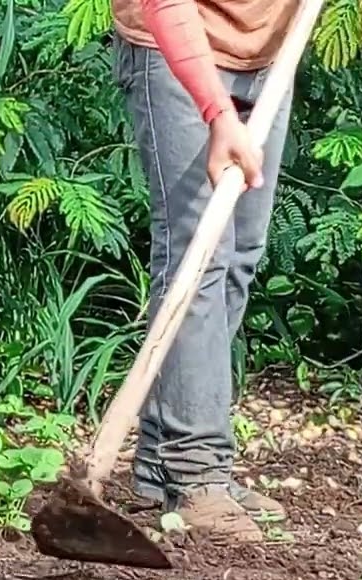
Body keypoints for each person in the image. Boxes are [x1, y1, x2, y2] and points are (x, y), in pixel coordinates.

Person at [107, 0, 299, 541]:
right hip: (176, 46)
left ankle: (158, 466)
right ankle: (197, 473)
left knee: (240, 254)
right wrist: (216, 113)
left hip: (266, 54)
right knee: (199, 253)